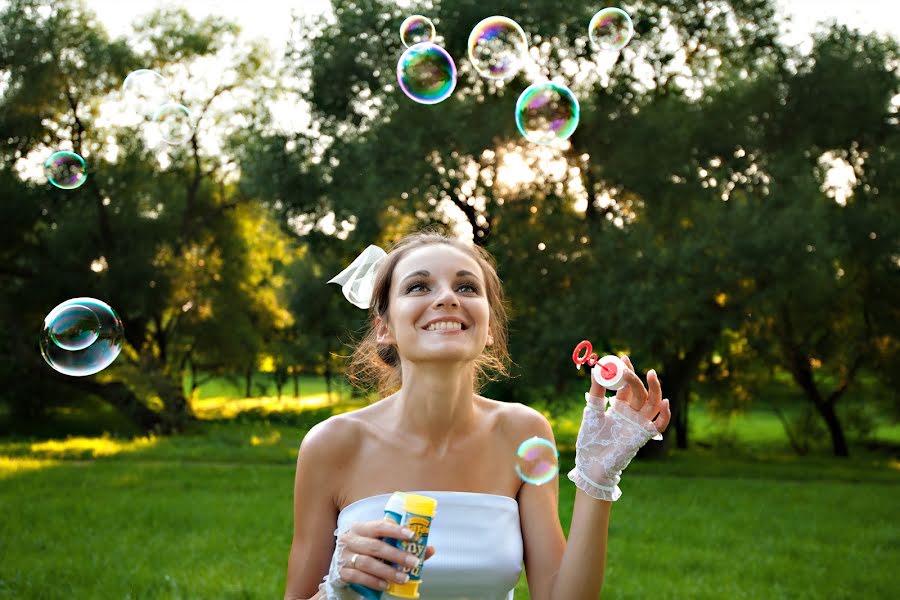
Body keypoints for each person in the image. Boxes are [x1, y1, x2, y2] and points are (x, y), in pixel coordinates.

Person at [284, 230, 670, 600]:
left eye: (466, 287)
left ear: (488, 327)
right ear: (384, 326)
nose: (448, 298)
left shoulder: (523, 432)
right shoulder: (331, 445)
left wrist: (596, 480)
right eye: (419, 286)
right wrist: (338, 587)